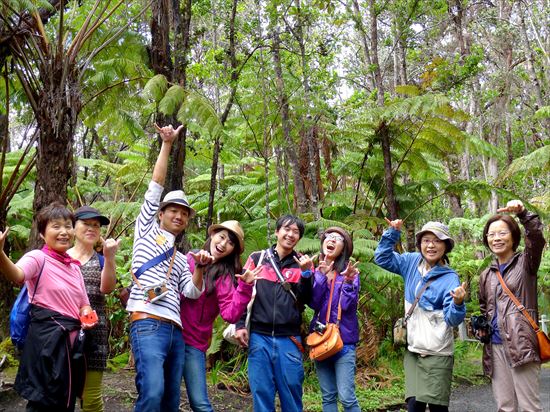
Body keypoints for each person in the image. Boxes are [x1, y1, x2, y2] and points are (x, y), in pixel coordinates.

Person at [126, 124, 208, 412]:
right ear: (160, 213)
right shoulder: (146, 230)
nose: (178, 216)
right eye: (173, 210)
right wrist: (167, 144)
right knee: (152, 392)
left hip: (175, 329)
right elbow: (155, 186)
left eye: (184, 214)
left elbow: (192, 292)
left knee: (171, 400)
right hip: (148, 321)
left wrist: (198, 267)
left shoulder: (180, 255)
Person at [0, 202, 97, 412]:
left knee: (67, 400)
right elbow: (17, 275)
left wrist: (87, 315)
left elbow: (83, 304)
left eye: (68, 226)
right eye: (56, 226)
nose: (64, 232)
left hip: (71, 345)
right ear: (43, 233)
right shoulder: (38, 258)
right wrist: (0, 254)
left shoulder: (74, 268)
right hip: (46, 342)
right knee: (44, 400)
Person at [374, 219, 466, 412]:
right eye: (426, 240)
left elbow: (452, 319)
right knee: (413, 406)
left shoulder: (450, 278)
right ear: (420, 244)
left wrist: (457, 302)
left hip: (437, 352)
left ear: (446, 245)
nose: (431, 245)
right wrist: (393, 232)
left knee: (436, 408)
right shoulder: (410, 262)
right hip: (413, 350)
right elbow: (381, 258)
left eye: (437, 240)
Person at [233, 215, 313, 412]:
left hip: (290, 339)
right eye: (287, 229)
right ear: (277, 232)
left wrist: (306, 274)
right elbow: (242, 294)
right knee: (261, 393)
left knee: (292, 393)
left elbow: (307, 300)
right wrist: (240, 324)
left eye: (296, 232)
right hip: (259, 337)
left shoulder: (302, 263)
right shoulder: (257, 259)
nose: (291, 234)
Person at [180, 220, 262, 412]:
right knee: (164, 394)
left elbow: (231, 314)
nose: (223, 244)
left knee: (200, 403)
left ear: (233, 250)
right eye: (221, 236)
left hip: (193, 343)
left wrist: (245, 287)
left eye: (230, 242)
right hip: (169, 335)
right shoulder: (188, 259)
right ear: (212, 235)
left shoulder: (224, 276)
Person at [477, 199, 546, 412]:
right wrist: (479, 327)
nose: (496, 238)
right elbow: (484, 309)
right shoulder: (486, 274)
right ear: (486, 239)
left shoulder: (526, 263)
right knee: (505, 407)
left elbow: (536, 237)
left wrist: (524, 214)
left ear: (514, 236)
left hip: (521, 344)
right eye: (491, 234)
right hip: (495, 346)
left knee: (529, 407)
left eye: (502, 233)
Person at [67, 206, 120, 412]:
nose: (91, 228)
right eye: (86, 224)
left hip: (94, 335)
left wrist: (109, 257)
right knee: (64, 392)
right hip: (63, 332)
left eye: (96, 225)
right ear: (73, 227)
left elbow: (107, 289)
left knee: (91, 399)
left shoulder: (101, 259)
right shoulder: (61, 257)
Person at [309, 227, 361, 412]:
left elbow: (348, 306)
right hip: (321, 339)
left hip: (344, 341)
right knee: (328, 396)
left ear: (344, 248)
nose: (331, 240)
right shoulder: (317, 270)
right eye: (328, 237)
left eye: (337, 238)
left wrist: (347, 282)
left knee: (347, 397)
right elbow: (314, 303)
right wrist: (321, 276)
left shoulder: (350, 273)